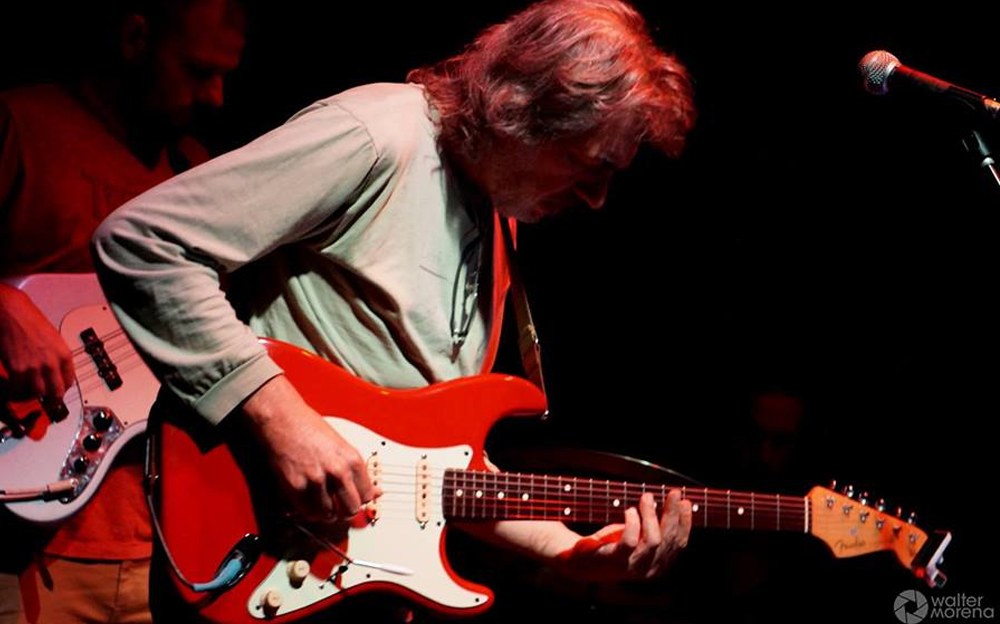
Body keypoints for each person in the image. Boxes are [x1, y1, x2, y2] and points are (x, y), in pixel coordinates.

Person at [91, 0, 697, 615]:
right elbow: (145, 242)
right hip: (257, 547)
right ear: (523, 110)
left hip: (342, 581)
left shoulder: (498, 216)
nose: (596, 198)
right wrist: (280, 418)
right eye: (590, 164)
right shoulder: (378, 135)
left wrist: (570, 551)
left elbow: (431, 467)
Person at [0, 1, 245, 622]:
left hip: (163, 551)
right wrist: (3, 306)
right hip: (27, 551)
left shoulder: (199, 173)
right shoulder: (20, 123)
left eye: (225, 76)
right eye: (197, 71)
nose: (215, 97)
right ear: (136, 38)